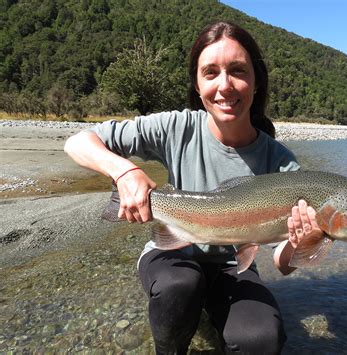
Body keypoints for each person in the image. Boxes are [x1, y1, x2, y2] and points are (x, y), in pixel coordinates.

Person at [65, 21, 322, 354]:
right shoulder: (177, 127)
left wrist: (305, 242)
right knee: (180, 285)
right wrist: (123, 171)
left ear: (256, 82)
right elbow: (78, 142)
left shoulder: (281, 162)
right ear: (198, 85)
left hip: (232, 265)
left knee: (262, 338)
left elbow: (282, 263)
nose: (225, 86)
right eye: (211, 73)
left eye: (238, 71)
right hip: (172, 253)